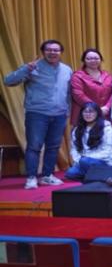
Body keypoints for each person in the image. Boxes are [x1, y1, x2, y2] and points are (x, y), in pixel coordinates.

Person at [4, 40, 73, 189]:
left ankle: (47, 175)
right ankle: (31, 177)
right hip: (37, 114)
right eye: (49, 50)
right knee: (34, 146)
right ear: (43, 52)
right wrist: (26, 69)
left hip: (59, 115)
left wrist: (67, 111)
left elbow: (68, 93)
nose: (52, 52)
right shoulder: (32, 67)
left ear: (61, 52)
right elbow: (8, 81)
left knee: (53, 146)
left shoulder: (67, 69)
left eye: (56, 50)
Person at [65, 102, 112, 181]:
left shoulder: (106, 129)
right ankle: (95, 175)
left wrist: (86, 158)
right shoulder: (77, 129)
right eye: (85, 112)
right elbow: (74, 148)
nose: (88, 114)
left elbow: (108, 150)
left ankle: (98, 174)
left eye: (91, 112)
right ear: (81, 114)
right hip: (84, 161)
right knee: (70, 173)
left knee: (85, 161)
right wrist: (78, 160)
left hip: (102, 160)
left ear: (97, 113)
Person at [70, 48, 112, 124]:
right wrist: (96, 109)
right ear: (84, 60)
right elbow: (78, 95)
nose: (93, 61)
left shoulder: (107, 75)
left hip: (105, 113)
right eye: (89, 59)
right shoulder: (77, 76)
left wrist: (107, 107)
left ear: (101, 60)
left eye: (96, 58)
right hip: (85, 114)